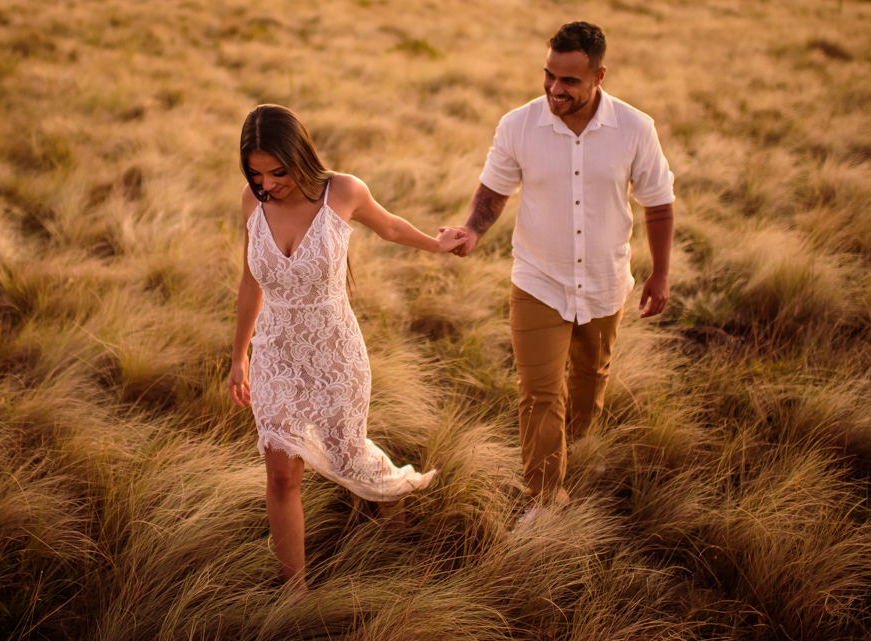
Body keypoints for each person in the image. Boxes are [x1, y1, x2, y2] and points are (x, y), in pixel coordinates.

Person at [442, 21, 675, 523]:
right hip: (538, 280)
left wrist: (660, 273)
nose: (554, 89)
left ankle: (578, 447)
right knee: (540, 394)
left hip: (605, 282)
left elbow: (658, 203)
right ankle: (545, 500)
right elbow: (493, 190)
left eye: (569, 80)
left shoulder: (635, 128)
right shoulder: (518, 125)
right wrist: (472, 230)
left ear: (599, 76)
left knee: (590, 379)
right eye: (548, 75)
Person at [226, 104, 464, 593]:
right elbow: (250, 282)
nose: (267, 184)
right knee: (281, 474)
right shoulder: (252, 203)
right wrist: (238, 356)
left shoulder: (343, 192)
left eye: (278, 172)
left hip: (335, 353)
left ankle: (392, 496)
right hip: (275, 354)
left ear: (300, 155)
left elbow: (390, 227)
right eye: (256, 173)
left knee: (348, 452)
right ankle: (295, 593)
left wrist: (437, 244)